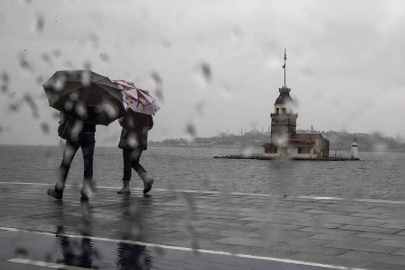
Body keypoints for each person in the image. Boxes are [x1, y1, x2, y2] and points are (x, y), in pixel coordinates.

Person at [47, 112, 96, 201]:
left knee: (66, 162)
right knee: (88, 165)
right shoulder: (96, 100)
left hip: (75, 132)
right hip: (89, 133)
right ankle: (85, 193)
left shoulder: (77, 98)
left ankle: (58, 190)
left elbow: (67, 111)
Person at [117, 109, 154, 195]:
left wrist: (120, 119)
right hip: (140, 141)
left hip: (129, 140)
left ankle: (126, 187)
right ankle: (146, 178)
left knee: (127, 163)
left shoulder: (130, 110)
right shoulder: (146, 111)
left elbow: (125, 123)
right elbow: (150, 125)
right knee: (134, 162)